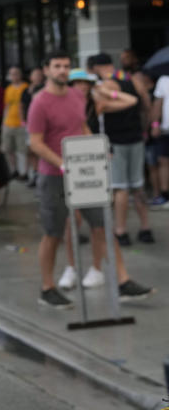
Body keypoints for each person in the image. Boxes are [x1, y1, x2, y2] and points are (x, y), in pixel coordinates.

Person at [27, 53, 152, 308]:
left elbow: (81, 127)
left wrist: (95, 149)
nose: (62, 71)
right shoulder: (40, 102)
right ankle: (47, 288)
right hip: (53, 177)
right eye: (57, 66)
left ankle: (123, 281)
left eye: (66, 66)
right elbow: (35, 143)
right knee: (53, 233)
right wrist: (62, 163)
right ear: (47, 70)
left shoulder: (76, 96)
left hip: (84, 174)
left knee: (103, 225)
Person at [86, 53, 153, 244]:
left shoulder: (103, 87)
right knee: (138, 186)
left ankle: (121, 231)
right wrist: (145, 128)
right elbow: (145, 103)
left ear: (96, 68)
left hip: (115, 140)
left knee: (120, 188)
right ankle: (145, 228)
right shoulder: (132, 80)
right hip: (136, 137)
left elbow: (100, 108)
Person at [1, 67, 28, 180]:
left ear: (20, 75)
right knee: (8, 149)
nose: (14, 76)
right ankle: (14, 170)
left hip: (21, 124)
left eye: (16, 74)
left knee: (22, 150)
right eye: (12, 74)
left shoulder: (26, 87)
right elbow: (7, 106)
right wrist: (3, 122)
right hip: (8, 123)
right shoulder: (8, 89)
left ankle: (24, 172)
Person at [151, 73, 169, 208]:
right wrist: (155, 124)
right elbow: (157, 103)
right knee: (163, 161)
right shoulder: (163, 79)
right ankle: (165, 194)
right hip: (166, 129)